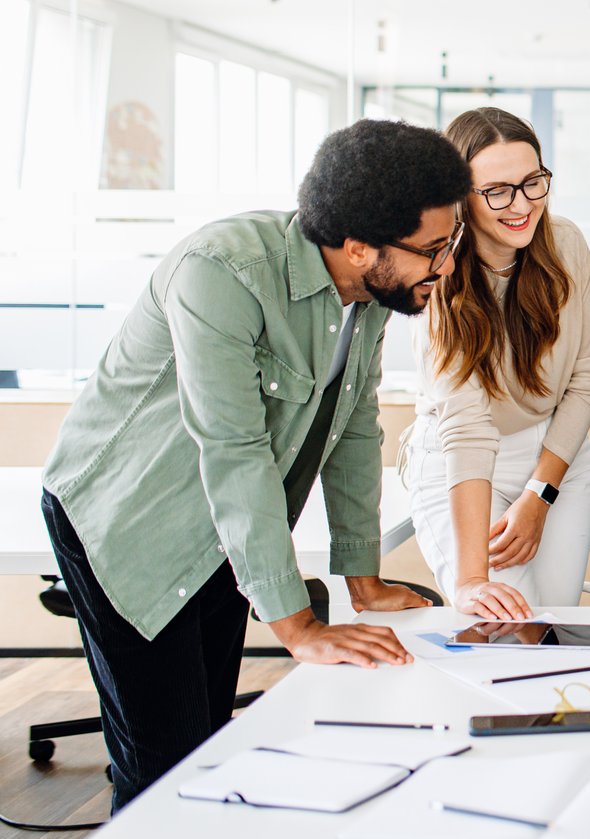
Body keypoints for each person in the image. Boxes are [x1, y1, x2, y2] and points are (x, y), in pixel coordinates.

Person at [38, 119, 470, 807]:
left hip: (223, 529)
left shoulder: (374, 294)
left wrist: (362, 580)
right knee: (162, 772)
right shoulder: (222, 272)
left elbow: (354, 426)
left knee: (210, 749)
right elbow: (233, 449)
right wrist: (299, 628)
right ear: (359, 247)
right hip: (128, 521)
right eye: (433, 248)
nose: (446, 265)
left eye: (452, 242)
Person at [404, 107, 590, 621]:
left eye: (532, 182)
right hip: (467, 463)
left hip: (556, 458)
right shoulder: (439, 275)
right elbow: (468, 429)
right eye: (497, 191)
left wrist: (540, 493)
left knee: (554, 628)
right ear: (459, 199)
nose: (521, 206)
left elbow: (586, 380)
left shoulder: (565, 245)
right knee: (506, 627)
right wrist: (472, 581)